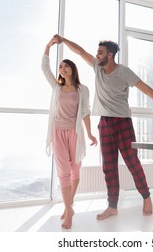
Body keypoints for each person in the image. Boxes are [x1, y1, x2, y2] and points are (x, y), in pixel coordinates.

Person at [53, 34, 153, 221]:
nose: (97, 55)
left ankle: (146, 197)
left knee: (132, 163)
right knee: (109, 166)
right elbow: (80, 52)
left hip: (122, 123)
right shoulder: (97, 68)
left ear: (110, 55)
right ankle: (112, 206)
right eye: (97, 52)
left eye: (100, 52)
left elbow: (144, 87)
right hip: (104, 124)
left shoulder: (124, 72)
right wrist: (63, 40)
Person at [42, 36, 98, 229]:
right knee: (64, 172)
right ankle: (69, 211)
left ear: (73, 69)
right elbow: (44, 68)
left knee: (75, 170)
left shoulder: (83, 90)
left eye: (66, 66)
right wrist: (48, 46)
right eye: (60, 67)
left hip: (75, 134)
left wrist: (89, 134)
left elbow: (85, 112)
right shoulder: (56, 87)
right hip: (57, 132)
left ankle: (69, 205)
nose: (62, 69)